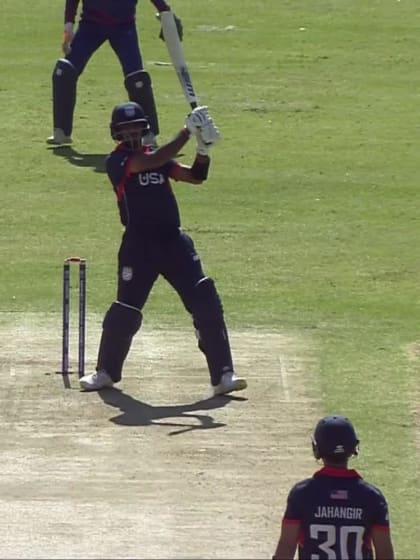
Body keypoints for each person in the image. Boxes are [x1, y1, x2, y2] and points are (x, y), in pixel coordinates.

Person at [79, 102, 247, 397]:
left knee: (204, 298)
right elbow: (154, 159)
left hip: (173, 243)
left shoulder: (157, 160)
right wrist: (186, 131)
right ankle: (105, 372)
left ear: (143, 128)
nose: (131, 132)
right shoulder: (117, 162)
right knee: (126, 310)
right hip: (138, 246)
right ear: (116, 133)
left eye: (136, 126)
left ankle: (223, 374)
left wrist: (203, 149)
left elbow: (195, 176)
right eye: (125, 128)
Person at [47, 0, 183, 147]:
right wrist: (68, 25)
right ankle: (61, 131)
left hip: (124, 28)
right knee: (64, 72)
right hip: (90, 27)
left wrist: (166, 13)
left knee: (137, 80)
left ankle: (148, 134)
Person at [272, 415, 394, 560]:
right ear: (354, 448)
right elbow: (385, 553)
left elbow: (286, 546)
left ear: (316, 449)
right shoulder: (373, 497)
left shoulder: (301, 494)